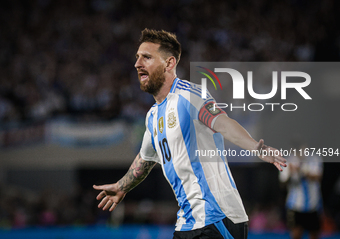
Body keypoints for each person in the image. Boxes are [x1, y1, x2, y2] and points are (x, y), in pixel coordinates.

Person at [93, 29, 287, 239]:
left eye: (147, 57)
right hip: (187, 221)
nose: (137, 63)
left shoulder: (189, 95)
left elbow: (223, 123)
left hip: (217, 217)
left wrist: (255, 147)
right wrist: (122, 186)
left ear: (169, 63)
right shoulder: (152, 116)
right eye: (137, 57)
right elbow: (146, 158)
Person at [279, 140, 323, 239]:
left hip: (313, 204)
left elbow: (318, 177)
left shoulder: (314, 158)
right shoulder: (287, 161)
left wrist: (301, 170)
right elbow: (282, 183)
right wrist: (290, 172)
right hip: (295, 205)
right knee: (296, 234)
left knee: (314, 234)